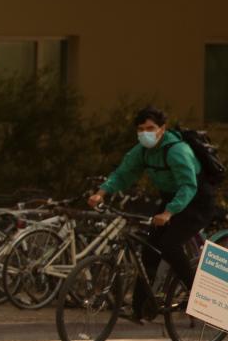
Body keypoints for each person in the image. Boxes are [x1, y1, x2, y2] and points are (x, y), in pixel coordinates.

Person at [88, 106, 214, 318]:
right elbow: (123, 173)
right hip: (170, 199)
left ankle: (198, 293)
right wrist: (101, 193)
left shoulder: (176, 150)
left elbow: (188, 186)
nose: (145, 133)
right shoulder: (142, 151)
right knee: (149, 251)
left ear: (162, 129)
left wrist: (168, 213)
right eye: (140, 129)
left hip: (196, 200)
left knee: (169, 244)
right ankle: (141, 309)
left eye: (150, 128)